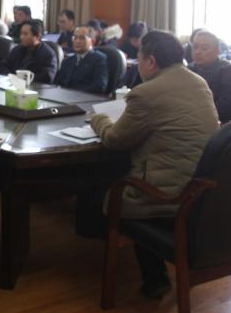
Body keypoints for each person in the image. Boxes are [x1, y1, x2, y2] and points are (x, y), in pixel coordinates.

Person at [83, 31, 219, 298]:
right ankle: (152, 274)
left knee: (98, 192)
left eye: (139, 58)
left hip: (168, 195)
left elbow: (115, 139)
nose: (138, 64)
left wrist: (98, 118)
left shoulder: (146, 93)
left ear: (152, 61)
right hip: (200, 190)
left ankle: (144, 273)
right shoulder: (198, 82)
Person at [189, 29, 231, 123]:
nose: (197, 52)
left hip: (216, 121)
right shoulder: (190, 68)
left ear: (218, 50)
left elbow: (228, 106)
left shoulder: (229, 70)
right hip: (189, 118)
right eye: (195, 47)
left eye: (204, 48)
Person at [54, 26, 109, 93]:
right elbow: (57, 82)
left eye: (82, 38)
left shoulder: (99, 59)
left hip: (85, 97)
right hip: (64, 96)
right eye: (75, 38)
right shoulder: (67, 61)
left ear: (92, 41)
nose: (77, 41)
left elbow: (100, 86)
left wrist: (75, 94)